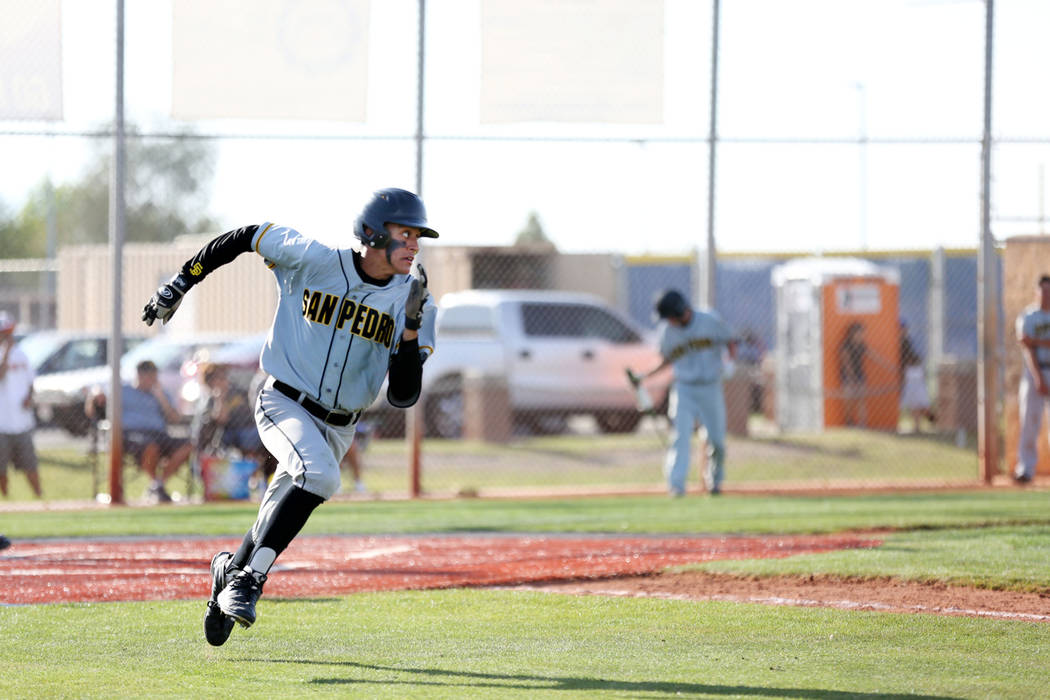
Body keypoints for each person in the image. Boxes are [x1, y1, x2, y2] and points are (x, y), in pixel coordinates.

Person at [141, 187, 438, 646]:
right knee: (319, 477)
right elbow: (245, 236)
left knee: (275, 512)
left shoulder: (413, 301)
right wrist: (183, 280)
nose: (415, 245)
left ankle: (229, 571)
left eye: (418, 236)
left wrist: (411, 331)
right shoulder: (314, 259)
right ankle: (250, 580)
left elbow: (403, 396)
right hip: (284, 400)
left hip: (340, 423)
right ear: (374, 235)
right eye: (406, 234)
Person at [629, 289, 735, 497]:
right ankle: (676, 485)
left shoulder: (709, 320)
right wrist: (645, 376)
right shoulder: (668, 332)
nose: (667, 321)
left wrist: (729, 362)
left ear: (678, 312)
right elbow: (667, 359)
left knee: (717, 440)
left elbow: (730, 340)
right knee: (680, 437)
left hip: (710, 385)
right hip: (684, 387)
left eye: (669, 316)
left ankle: (715, 481)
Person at [114, 360, 194, 503]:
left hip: (159, 434)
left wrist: (161, 397)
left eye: (154, 377)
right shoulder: (124, 391)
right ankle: (157, 485)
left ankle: (158, 484)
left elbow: (175, 418)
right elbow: (99, 408)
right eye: (149, 377)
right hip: (133, 435)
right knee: (151, 446)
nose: (153, 380)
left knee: (188, 445)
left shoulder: (160, 393)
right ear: (139, 376)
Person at [0, 312, 42, 499]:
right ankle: (6, 501)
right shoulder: (4, 354)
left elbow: (31, 382)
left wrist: (29, 397)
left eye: (9, 332)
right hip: (2, 424)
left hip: (22, 422)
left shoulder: (22, 354)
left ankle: (40, 498)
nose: (8, 336)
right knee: (1, 469)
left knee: (30, 465)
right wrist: (6, 353)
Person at [1014, 274, 1050, 484]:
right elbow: (1026, 346)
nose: (1046, 295)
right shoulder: (1028, 316)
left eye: (1049, 291)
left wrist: (1036, 341)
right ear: (1037, 292)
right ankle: (1025, 469)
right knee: (1029, 420)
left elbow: (1030, 341)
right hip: (1034, 370)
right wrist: (1038, 378)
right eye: (1043, 291)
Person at [898, 320, 932, 433]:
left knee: (919, 399)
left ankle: (928, 419)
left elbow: (908, 359)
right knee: (914, 400)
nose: (902, 331)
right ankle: (918, 424)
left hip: (913, 371)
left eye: (903, 329)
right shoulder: (900, 341)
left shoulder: (905, 341)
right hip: (910, 372)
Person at [339, 421, 373, 494]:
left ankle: (358, 483)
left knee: (352, 449)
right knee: (336, 452)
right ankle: (336, 483)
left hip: (345, 431)